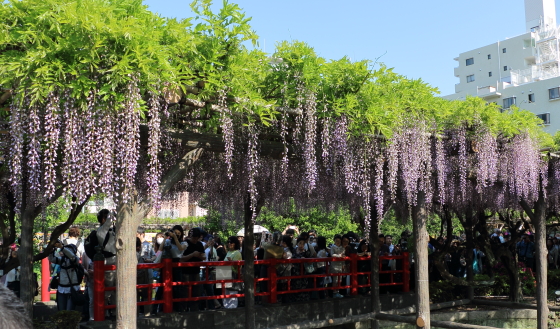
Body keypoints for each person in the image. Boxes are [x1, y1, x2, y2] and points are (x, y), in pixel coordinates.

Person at [48, 242, 80, 311]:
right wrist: (51, 251)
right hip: (61, 289)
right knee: (61, 310)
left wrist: (62, 247)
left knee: (69, 311)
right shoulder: (62, 260)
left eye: (69, 250)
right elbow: (52, 259)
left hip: (72, 289)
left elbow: (72, 256)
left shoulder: (75, 259)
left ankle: (70, 322)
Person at [96, 209, 117, 309]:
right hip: (108, 262)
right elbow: (110, 221)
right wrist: (114, 213)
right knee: (108, 290)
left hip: (115, 262)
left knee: (116, 290)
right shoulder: (101, 231)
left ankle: (114, 311)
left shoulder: (111, 231)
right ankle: (105, 312)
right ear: (103, 219)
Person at [180, 227, 205, 312]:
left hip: (196, 271)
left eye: (196, 238)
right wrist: (193, 255)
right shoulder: (185, 244)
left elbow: (204, 257)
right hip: (185, 272)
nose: (195, 240)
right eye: (193, 238)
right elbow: (181, 258)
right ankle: (184, 309)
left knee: (196, 291)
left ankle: (195, 309)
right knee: (185, 292)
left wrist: (199, 256)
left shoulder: (200, 244)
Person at [166, 225, 188, 312]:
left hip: (178, 265)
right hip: (168, 265)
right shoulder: (168, 242)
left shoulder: (184, 243)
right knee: (167, 287)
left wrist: (175, 238)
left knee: (178, 287)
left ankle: (179, 307)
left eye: (179, 233)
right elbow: (160, 250)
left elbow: (180, 248)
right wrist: (165, 238)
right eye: (175, 233)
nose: (176, 235)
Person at [201, 235, 221, 310]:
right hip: (202, 269)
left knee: (209, 290)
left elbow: (212, 257)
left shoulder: (212, 248)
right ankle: (204, 306)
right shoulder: (202, 244)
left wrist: (212, 246)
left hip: (208, 269)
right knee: (202, 290)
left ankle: (212, 306)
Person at [223, 236, 243, 308]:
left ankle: (232, 308)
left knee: (232, 293)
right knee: (226, 292)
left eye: (231, 242)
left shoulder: (237, 253)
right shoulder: (228, 252)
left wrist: (231, 262)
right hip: (225, 273)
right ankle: (226, 307)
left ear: (235, 243)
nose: (229, 243)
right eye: (228, 242)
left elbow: (237, 267)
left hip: (232, 275)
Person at [330, 234, 345, 298]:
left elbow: (343, 256)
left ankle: (338, 291)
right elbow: (332, 254)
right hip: (334, 265)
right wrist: (339, 256)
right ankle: (334, 292)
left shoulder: (342, 248)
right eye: (336, 241)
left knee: (340, 279)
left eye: (339, 241)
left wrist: (343, 264)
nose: (338, 242)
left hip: (340, 264)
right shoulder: (332, 247)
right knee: (335, 279)